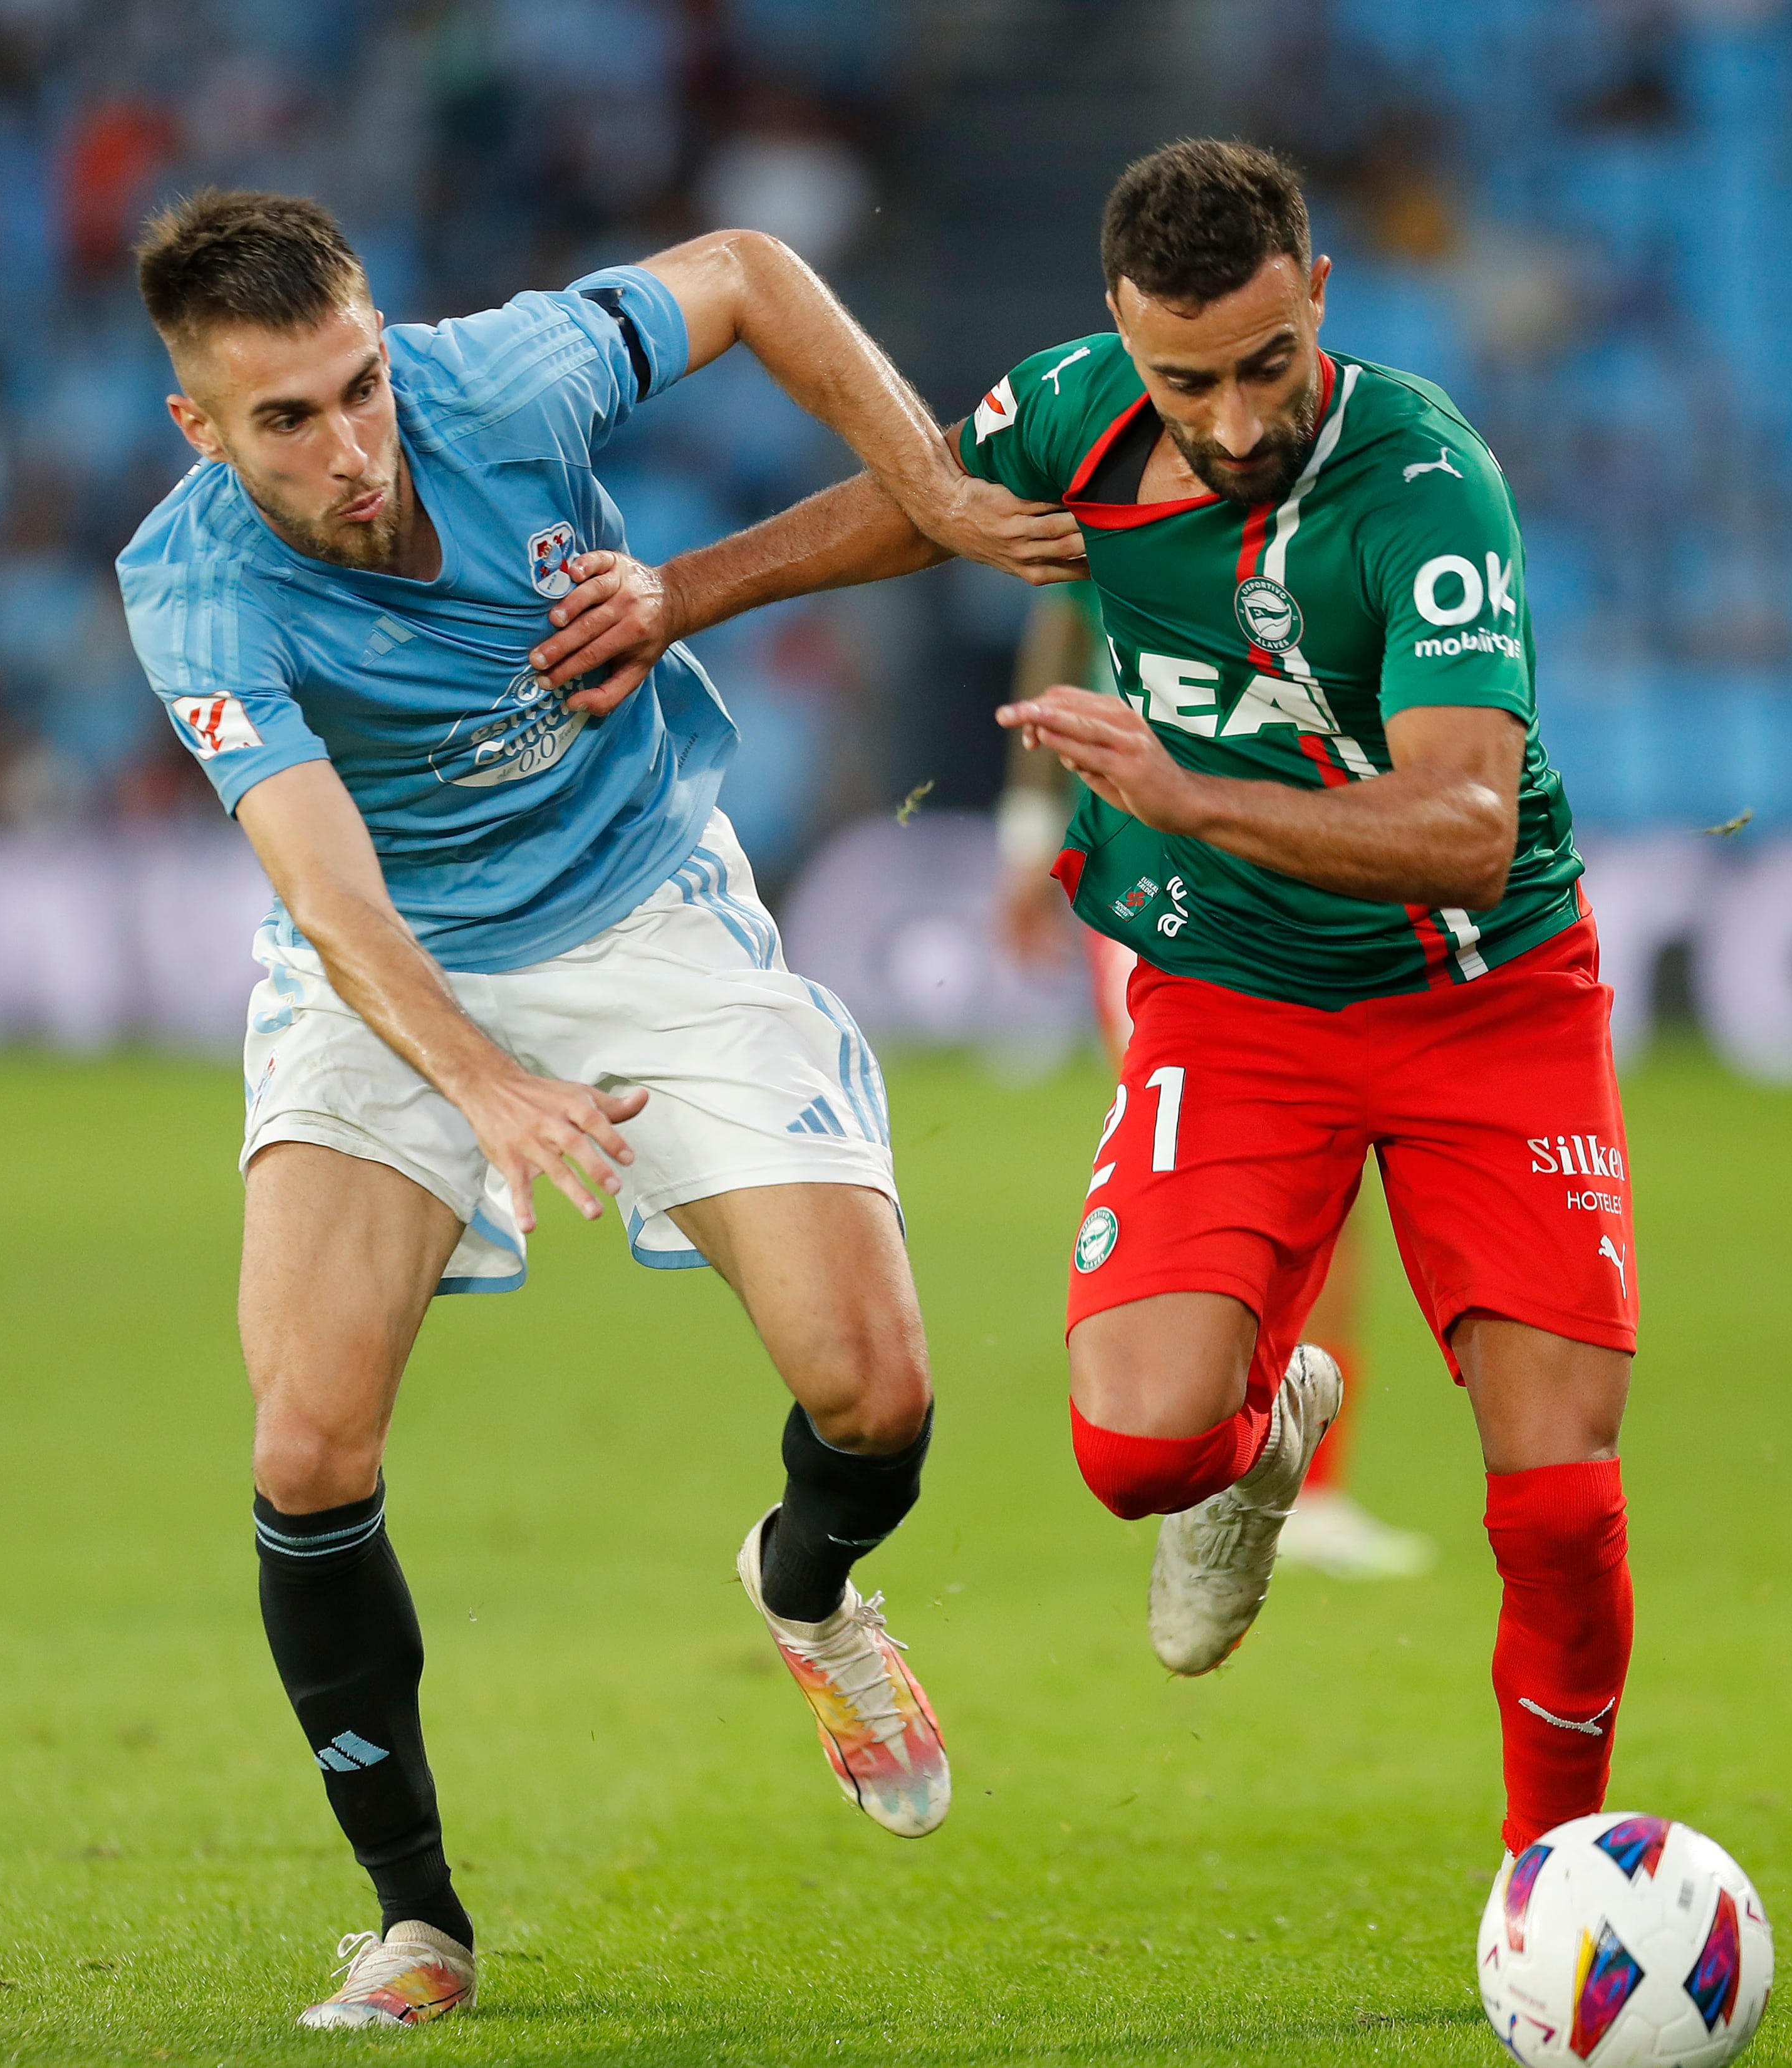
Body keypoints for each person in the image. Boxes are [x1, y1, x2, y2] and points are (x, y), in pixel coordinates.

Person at [541, 138, 1638, 1893]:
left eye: (1263, 365)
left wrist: (1190, 794)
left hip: (1482, 998)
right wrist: (681, 593)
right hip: (1236, 994)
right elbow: (930, 500)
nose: (1224, 415)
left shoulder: (1423, 481)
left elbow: (1464, 823)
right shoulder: (1080, 407)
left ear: (1319, 302)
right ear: (1124, 339)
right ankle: (1266, 1426)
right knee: (1137, 1450)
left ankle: (1554, 1878)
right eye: (1180, 375)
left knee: (1555, 1495)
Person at [113, 190, 1079, 2030]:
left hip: (638, 906)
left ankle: (807, 1591)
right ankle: (416, 1921)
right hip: (384, 973)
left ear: (389, 344)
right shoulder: (195, 587)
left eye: (359, 387)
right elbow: (328, 893)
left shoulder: (494, 384)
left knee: (874, 1392)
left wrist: (933, 487)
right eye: (287, 421)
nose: (352, 449)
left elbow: (745, 273)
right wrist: (480, 1082)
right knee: (305, 1443)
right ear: (202, 431)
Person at [997, 585, 1436, 1582]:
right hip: (1166, 882)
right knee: (1235, 1166)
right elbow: (1059, 635)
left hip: (1299, 855)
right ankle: (1223, 1456)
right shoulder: (1123, 474)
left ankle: (1296, 1481)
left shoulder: (1331, 495)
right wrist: (1027, 838)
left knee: (1334, 1171)